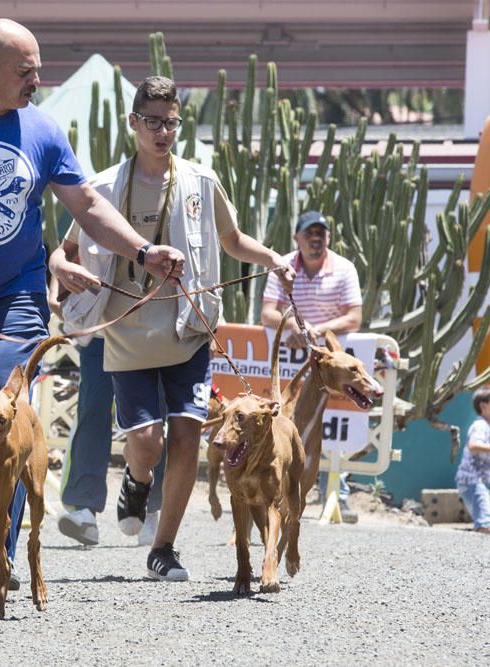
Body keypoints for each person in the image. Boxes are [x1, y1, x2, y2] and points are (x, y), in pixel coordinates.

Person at [0, 19, 184, 587]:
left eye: (39, 71)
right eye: (26, 72)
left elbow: (87, 205)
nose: (37, 82)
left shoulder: (43, 131)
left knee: (7, 415)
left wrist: (143, 251)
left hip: (16, 299)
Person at [53, 75, 294, 582]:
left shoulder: (201, 183)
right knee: (146, 438)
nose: (164, 132)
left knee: (187, 436)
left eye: (172, 122)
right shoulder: (100, 188)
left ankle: (163, 548)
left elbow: (231, 240)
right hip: (126, 333)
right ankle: (136, 484)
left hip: (190, 327)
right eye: (154, 122)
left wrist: (272, 258)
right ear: (133, 123)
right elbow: (64, 249)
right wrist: (60, 267)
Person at [48, 224, 165, 547]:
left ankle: (149, 510)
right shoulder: (101, 191)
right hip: (101, 327)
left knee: (153, 420)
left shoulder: (170, 193)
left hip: (152, 327)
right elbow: (65, 250)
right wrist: (55, 291)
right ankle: (83, 509)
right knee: (92, 410)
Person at [261, 209, 363, 523]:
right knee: (289, 420)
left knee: (336, 425)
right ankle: (273, 488)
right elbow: (267, 313)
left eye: (321, 233)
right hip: (296, 363)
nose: (316, 239)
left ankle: (337, 492)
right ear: (297, 238)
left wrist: (319, 330)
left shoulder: (344, 269)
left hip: (334, 362)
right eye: (309, 233)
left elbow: (354, 317)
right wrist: (291, 325)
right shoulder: (283, 267)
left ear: (328, 238)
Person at [456, 387, 490, 534]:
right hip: (473, 481)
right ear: (483, 406)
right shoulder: (480, 425)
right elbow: (473, 445)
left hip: (482, 481)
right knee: (484, 522)